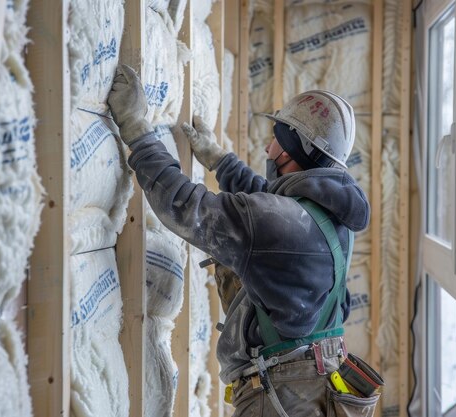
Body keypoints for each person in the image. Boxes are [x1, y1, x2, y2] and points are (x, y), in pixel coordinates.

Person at [108, 64, 377, 417]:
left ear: (296, 151)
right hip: (311, 378)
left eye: (277, 139)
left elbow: (185, 206)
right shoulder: (331, 212)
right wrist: (221, 162)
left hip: (283, 396)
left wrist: (138, 132)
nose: (268, 147)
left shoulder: (284, 227)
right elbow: (270, 206)